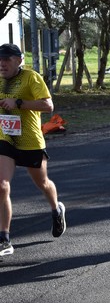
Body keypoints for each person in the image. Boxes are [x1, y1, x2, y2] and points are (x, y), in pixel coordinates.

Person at [0, 43, 66, 256]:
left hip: (30, 141)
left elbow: (48, 106)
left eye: (7, 59)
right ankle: (4, 239)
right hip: (5, 139)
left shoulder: (31, 78)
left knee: (42, 183)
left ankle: (56, 209)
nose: (2, 63)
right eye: (0, 59)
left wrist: (18, 102)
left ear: (19, 60)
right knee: (2, 186)